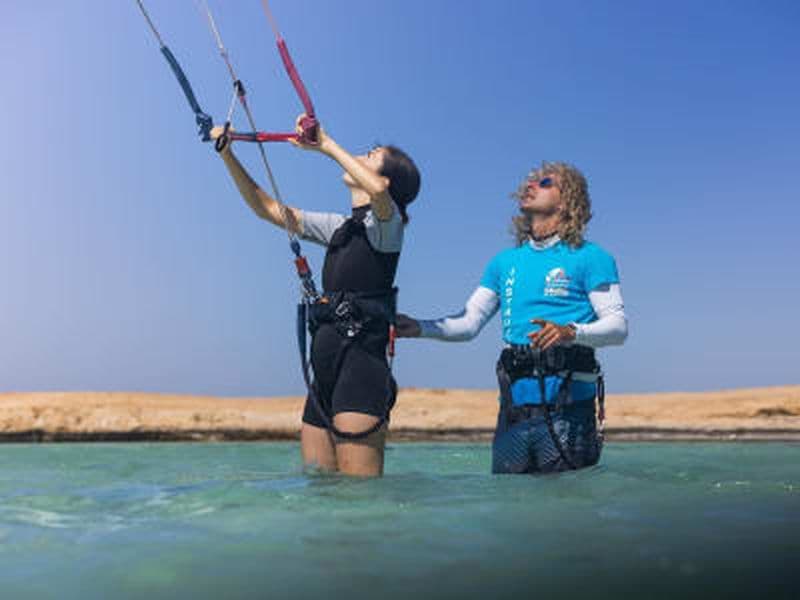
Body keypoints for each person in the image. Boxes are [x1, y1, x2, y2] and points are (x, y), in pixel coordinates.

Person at [212, 117, 420, 477]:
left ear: (385, 180)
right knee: (319, 493)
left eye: (371, 155)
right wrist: (228, 154)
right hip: (323, 370)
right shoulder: (339, 228)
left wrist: (326, 145)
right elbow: (269, 209)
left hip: (361, 371)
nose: (360, 155)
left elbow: (379, 196)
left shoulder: (390, 226)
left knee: (360, 504)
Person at [397, 162, 626, 474]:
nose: (530, 186)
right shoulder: (504, 262)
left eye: (545, 182)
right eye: (528, 182)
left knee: (566, 514)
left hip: (568, 415)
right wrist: (418, 328)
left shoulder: (591, 256)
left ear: (567, 200)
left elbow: (618, 327)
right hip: (513, 416)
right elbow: (468, 323)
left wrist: (570, 332)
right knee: (510, 506)